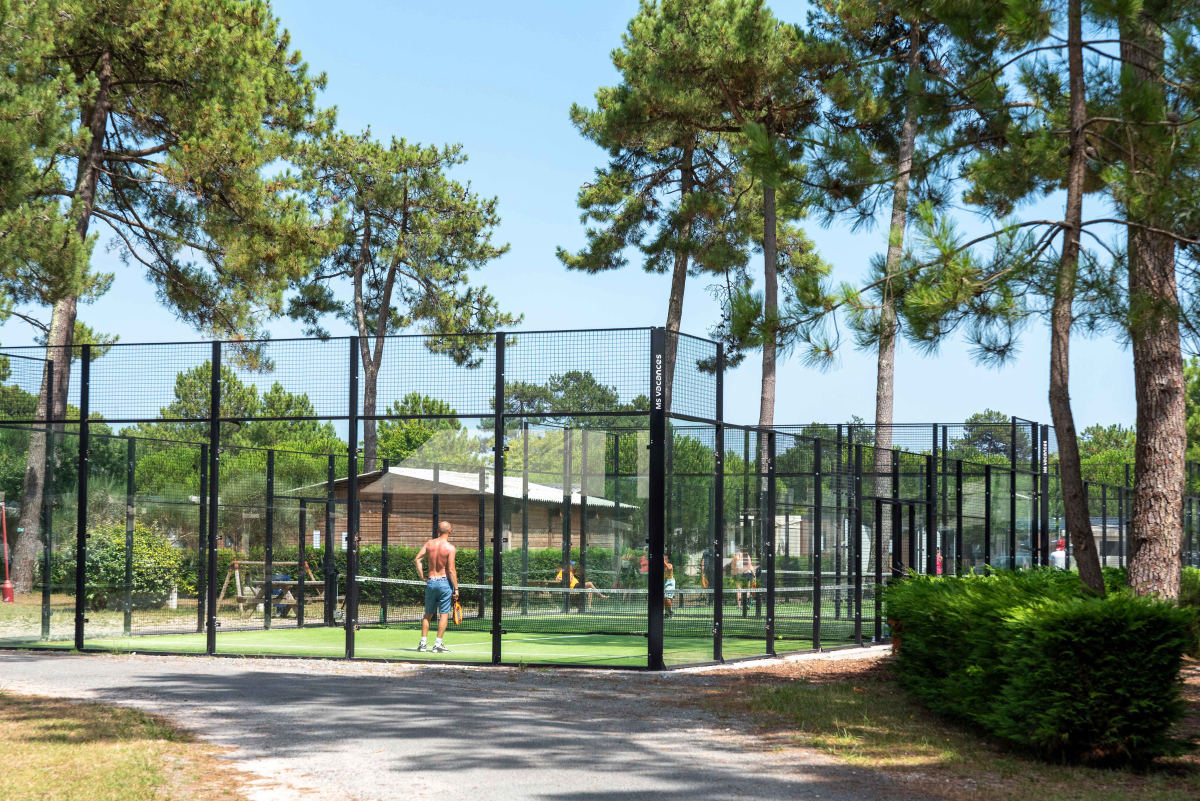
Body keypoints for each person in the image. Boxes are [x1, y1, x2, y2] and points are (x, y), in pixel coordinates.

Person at [414, 521, 458, 653]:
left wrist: (422, 577)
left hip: (431, 582)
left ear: (438, 531)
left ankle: (423, 644)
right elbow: (451, 570)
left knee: (428, 614)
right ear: (450, 530)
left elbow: (417, 560)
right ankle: (437, 645)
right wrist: (456, 588)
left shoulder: (429, 544)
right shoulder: (450, 548)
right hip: (445, 583)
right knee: (444, 614)